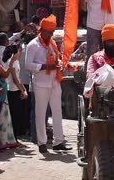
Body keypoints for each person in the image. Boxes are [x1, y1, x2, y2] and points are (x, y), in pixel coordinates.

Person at [25, 14, 72, 153]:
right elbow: (28, 64)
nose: (51, 34)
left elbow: (55, 58)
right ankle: (42, 143)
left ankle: (58, 142)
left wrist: (58, 64)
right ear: (42, 31)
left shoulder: (52, 43)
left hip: (54, 81)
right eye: (49, 32)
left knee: (57, 111)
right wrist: (45, 67)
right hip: (40, 83)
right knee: (40, 113)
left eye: (52, 32)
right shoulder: (33, 45)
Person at [1, 45, 28, 138]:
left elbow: (19, 78)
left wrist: (23, 89)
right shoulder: (10, 62)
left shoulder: (16, 62)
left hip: (17, 89)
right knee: (14, 115)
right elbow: (14, 79)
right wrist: (22, 91)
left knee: (18, 115)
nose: (20, 53)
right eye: (19, 51)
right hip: (12, 90)